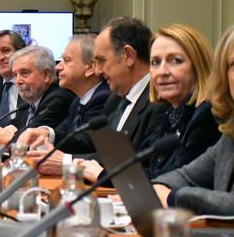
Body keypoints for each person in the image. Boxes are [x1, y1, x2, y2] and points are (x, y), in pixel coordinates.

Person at [72, 17, 166, 182]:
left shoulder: (159, 102)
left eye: (101, 61)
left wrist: (67, 162)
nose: (98, 71)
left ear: (128, 55)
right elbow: (99, 149)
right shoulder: (114, 100)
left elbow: (138, 165)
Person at [152, 25, 234, 215]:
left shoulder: (205, 116)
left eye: (175, 61)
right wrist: (159, 187)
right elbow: (184, 175)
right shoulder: (229, 136)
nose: (163, 71)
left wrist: (173, 197)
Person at [17, 34, 110, 174]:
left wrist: (62, 158)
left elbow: (87, 142)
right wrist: (45, 133)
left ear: (90, 68)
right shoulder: (77, 101)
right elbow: (64, 134)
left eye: (66, 60)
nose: (58, 67)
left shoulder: (104, 98)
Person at [142, 24, 219, 178]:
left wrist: (106, 175)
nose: (162, 72)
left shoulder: (208, 114)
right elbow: (141, 159)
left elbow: (181, 176)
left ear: (198, 67)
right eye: (155, 62)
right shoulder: (172, 112)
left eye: (175, 60)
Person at [0, 46, 75, 144]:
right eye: (15, 75)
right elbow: (20, 131)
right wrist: (12, 131)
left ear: (46, 75)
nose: (18, 81)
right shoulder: (30, 101)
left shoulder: (57, 99)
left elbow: (28, 141)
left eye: (25, 73)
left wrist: (11, 139)